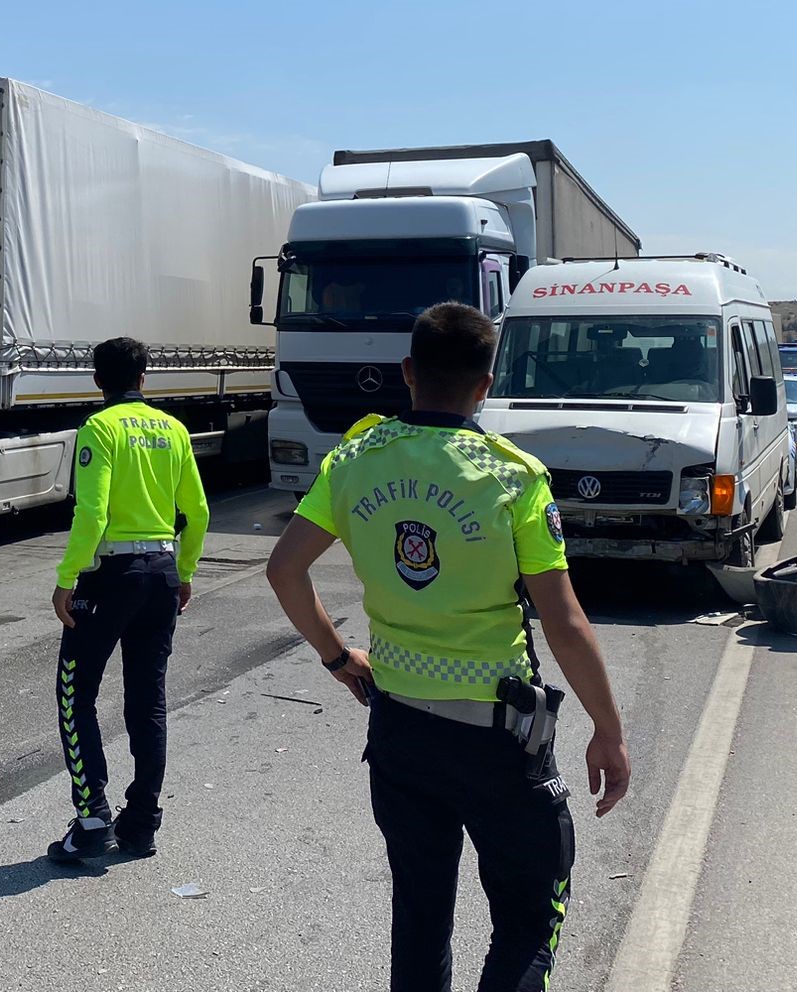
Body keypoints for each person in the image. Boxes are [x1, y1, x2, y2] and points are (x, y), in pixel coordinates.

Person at [264, 302, 631, 992]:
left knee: (421, 918)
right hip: (498, 742)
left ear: (407, 372)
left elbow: (284, 569)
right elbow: (564, 619)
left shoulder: (354, 459)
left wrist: (340, 659)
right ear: (486, 385)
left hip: (400, 729)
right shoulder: (513, 476)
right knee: (527, 926)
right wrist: (608, 730)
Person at [45, 336, 211, 866]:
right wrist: (184, 572)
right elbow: (199, 512)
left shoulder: (99, 428)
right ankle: (141, 825)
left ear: (98, 381)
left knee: (75, 693)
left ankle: (92, 819)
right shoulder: (175, 429)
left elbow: (91, 514)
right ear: (145, 379)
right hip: (162, 571)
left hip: (111, 575)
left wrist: (67, 577)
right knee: (148, 701)